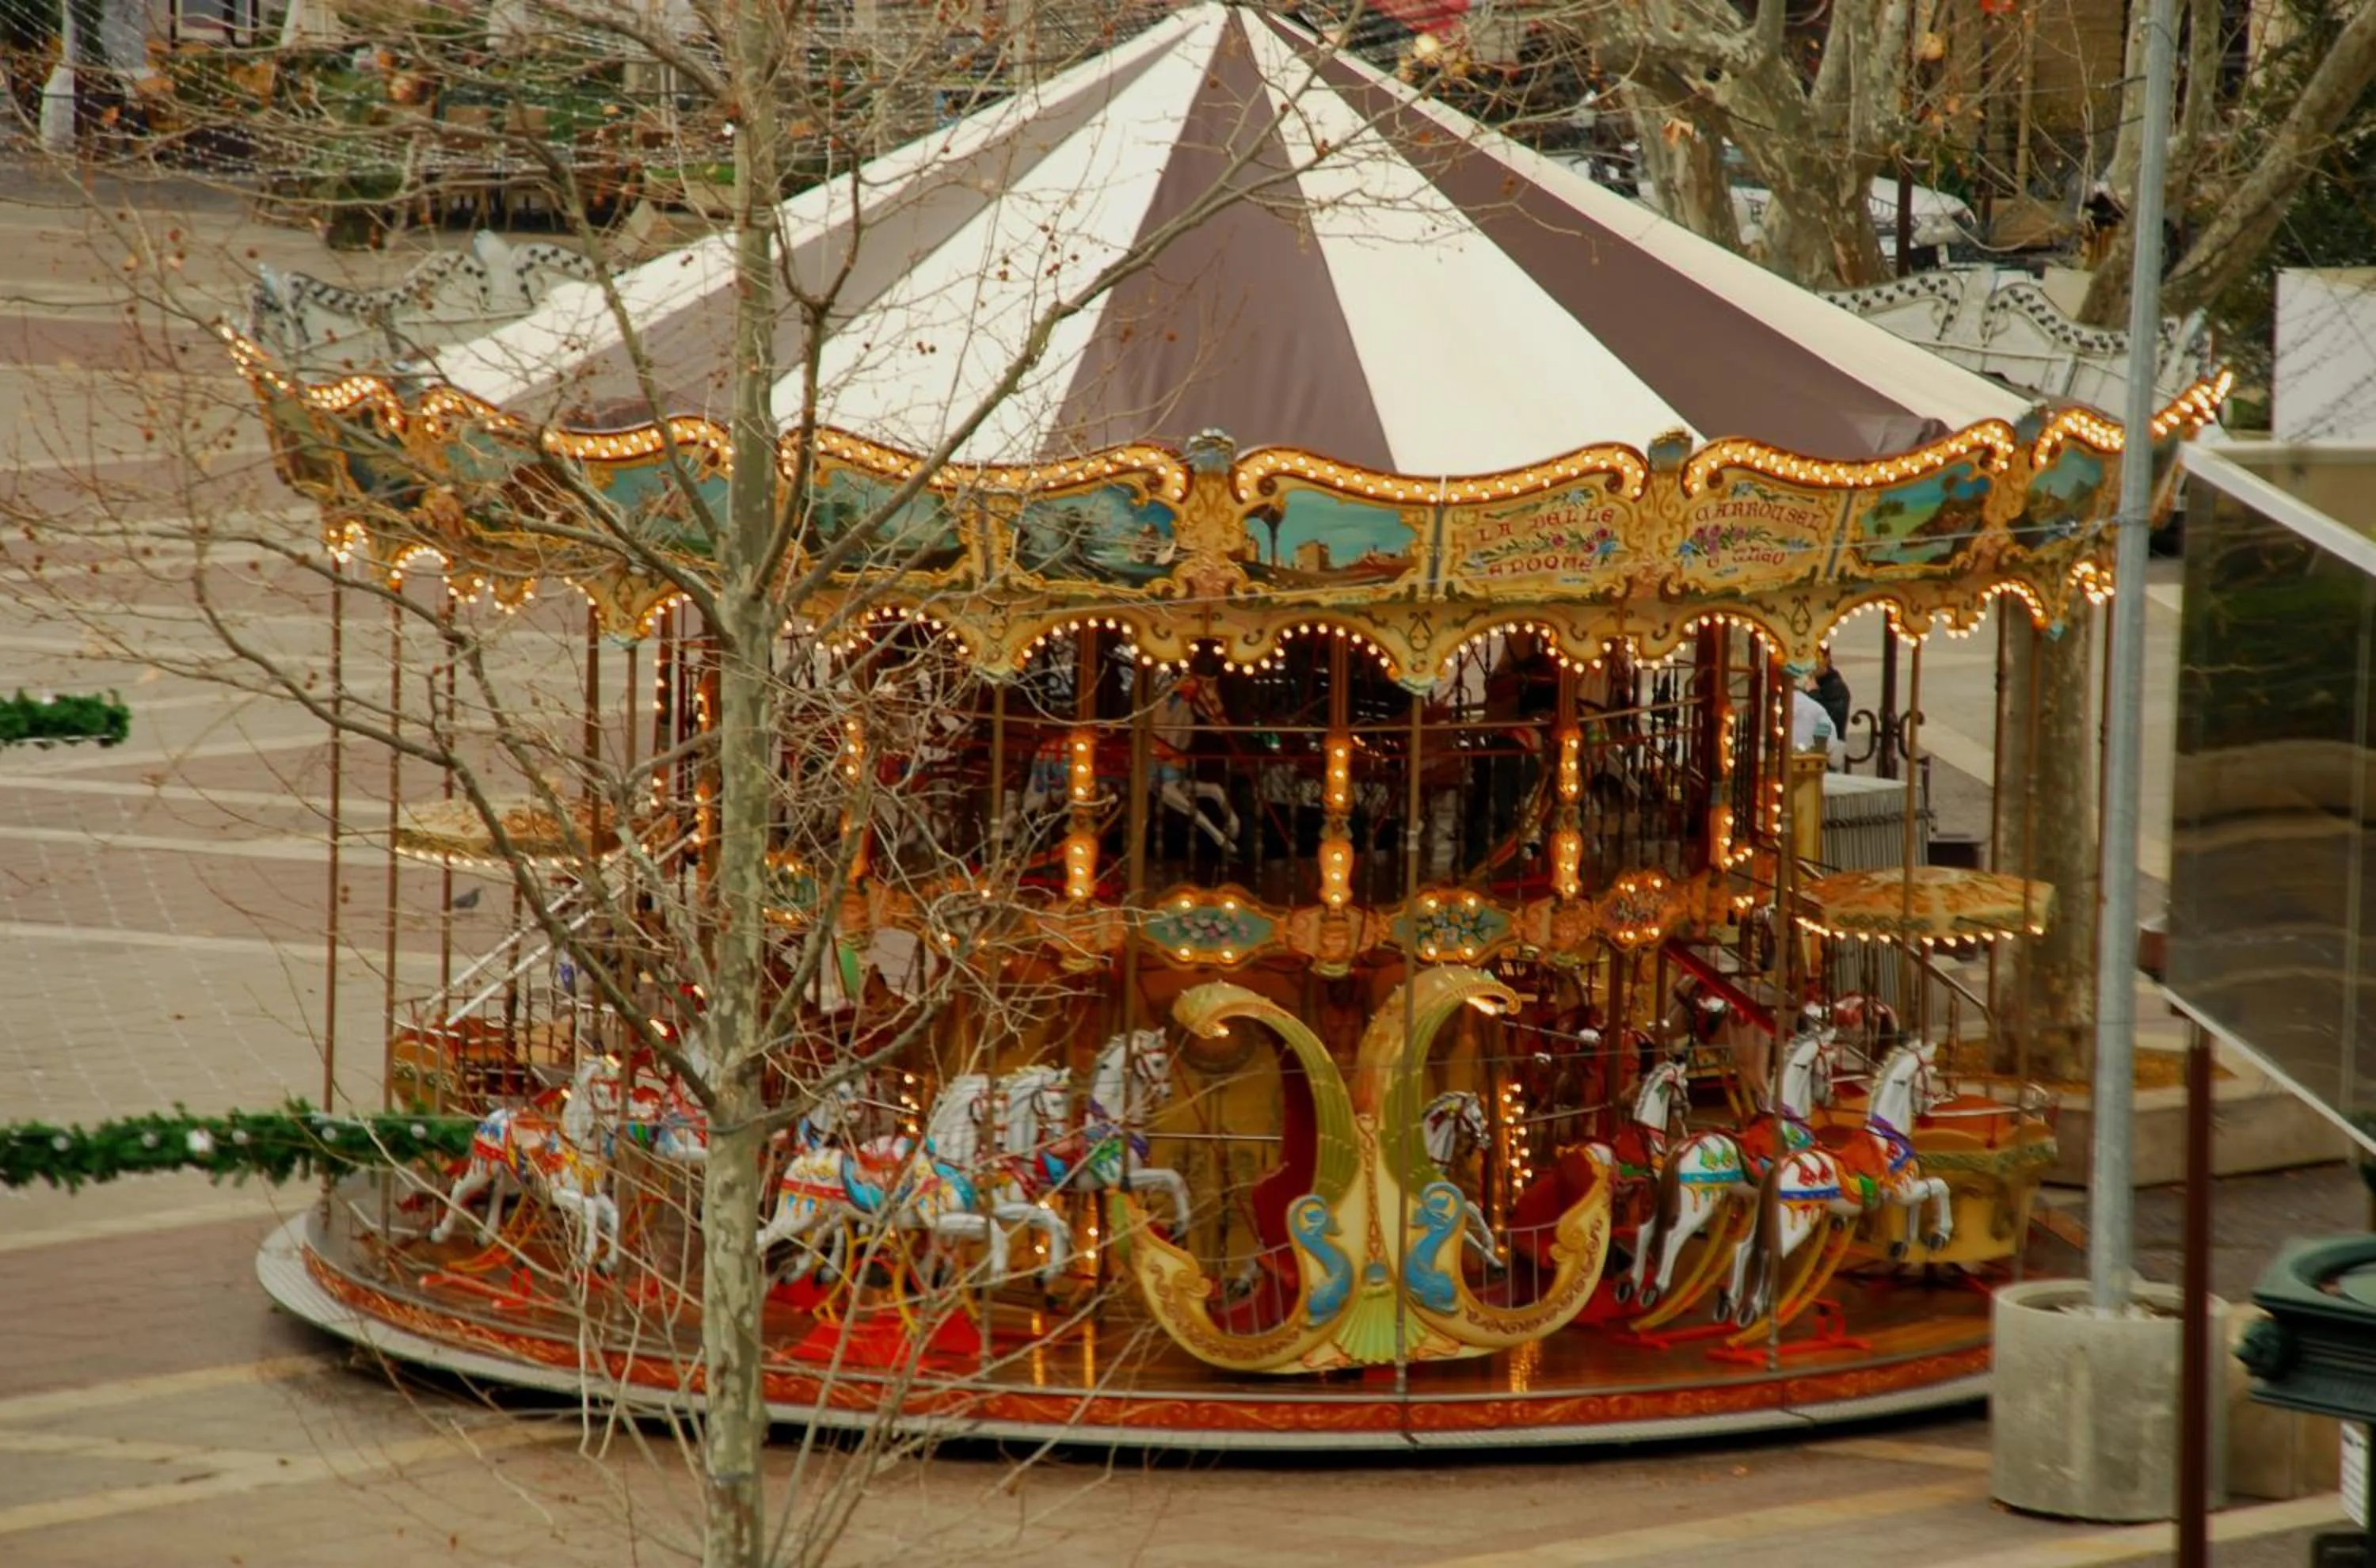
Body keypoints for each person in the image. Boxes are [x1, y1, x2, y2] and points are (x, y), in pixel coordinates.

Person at [1811, 651, 1852, 743]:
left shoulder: (1836, 688)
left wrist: (1813, 693)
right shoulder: (1816, 683)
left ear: (1826, 660)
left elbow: (1830, 718)